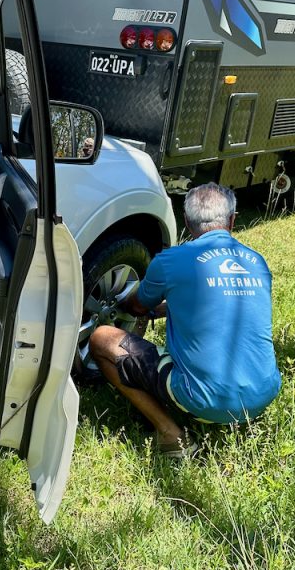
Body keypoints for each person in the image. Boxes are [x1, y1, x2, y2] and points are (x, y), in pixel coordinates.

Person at [89, 182, 280, 457]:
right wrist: (167, 307)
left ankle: (171, 435)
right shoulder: (257, 262)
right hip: (263, 394)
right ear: (233, 220)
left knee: (100, 339)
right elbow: (218, 299)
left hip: (205, 400)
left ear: (187, 223)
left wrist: (128, 303)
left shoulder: (172, 260)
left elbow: (138, 307)